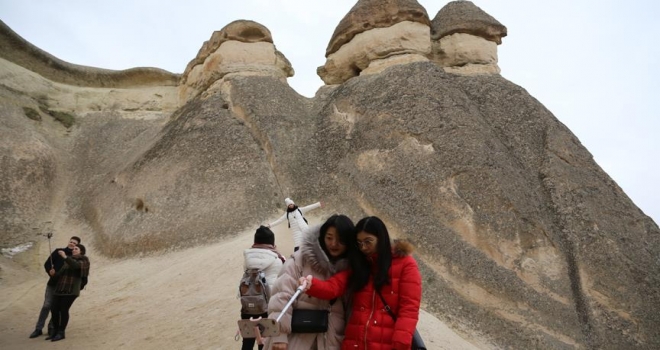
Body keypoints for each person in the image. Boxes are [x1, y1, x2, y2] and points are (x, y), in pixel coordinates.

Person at [300, 216, 422, 350]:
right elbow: (334, 286)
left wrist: (401, 343)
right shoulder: (360, 265)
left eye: (368, 241)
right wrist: (312, 285)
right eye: (359, 243)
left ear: (381, 238)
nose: (363, 247)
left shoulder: (405, 264)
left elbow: (409, 308)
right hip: (354, 342)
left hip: (387, 343)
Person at [265, 214, 355, 350]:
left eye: (340, 240)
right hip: (296, 340)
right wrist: (279, 335)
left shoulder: (352, 270)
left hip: (331, 340)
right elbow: (281, 296)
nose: (333, 244)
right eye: (329, 238)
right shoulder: (301, 259)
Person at [241, 226, 285, 350]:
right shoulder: (277, 260)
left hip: (247, 305)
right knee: (265, 341)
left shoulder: (247, 259)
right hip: (267, 305)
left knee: (247, 342)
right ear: (271, 242)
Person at [29, 236, 81, 339]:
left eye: (74, 243)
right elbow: (47, 264)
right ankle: (38, 328)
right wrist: (50, 272)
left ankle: (52, 327)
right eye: (71, 242)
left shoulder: (75, 257)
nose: (72, 244)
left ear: (77, 245)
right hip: (52, 283)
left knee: (57, 308)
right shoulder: (58, 251)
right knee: (47, 305)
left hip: (64, 287)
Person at [47, 243, 91, 342]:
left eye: (76, 249)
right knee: (54, 309)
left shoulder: (84, 260)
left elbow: (76, 266)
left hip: (72, 289)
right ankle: (55, 331)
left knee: (63, 310)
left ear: (81, 251)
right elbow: (60, 274)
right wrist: (54, 274)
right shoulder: (68, 261)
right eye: (73, 249)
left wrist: (65, 256)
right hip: (60, 288)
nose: (74, 250)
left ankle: (61, 332)